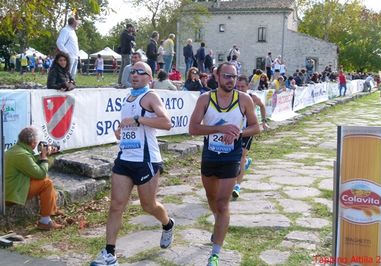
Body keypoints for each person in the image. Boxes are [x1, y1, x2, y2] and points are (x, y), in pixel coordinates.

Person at [90, 62, 175, 266]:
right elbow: (130, 125)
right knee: (116, 205)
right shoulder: (128, 97)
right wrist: (120, 130)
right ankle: (109, 253)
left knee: (148, 205)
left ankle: (167, 224)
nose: (134, 75)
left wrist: (139, 120)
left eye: (140, 72)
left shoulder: (151, 97)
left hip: (146, 160)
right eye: (132, 71)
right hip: (125, 158)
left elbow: (167, 123)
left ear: (149, 77)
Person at [188, 62, 260, 266]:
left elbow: (256, 127)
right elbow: (193, 128)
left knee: (222, 203)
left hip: (231, 157)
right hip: (210, 156)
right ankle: (219, 223)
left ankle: (215, 254)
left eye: (234, 77)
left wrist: (238, 132)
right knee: (212, 199)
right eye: (227, 76)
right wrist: (220, 130)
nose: (231, 80)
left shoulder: (244, 99)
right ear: (217, 76)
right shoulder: (205, 99)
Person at [5, 127, 64, 230]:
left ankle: (52, 209)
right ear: (32, 143)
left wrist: (43, 157)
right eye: (36, 142)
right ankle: (45, 221)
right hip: (12, 193)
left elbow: (32, 169)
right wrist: (44, 157)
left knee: (45, 180)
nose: (38, 145)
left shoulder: (17, 150)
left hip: (13, 186)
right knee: (47, 183)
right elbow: (40, 174)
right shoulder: (22, 155)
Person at [232, 75, 268, 198]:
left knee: (241, 154)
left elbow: (262, 106)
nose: (240, 89)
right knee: (234, 156)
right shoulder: (232, 97)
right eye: (238, 86)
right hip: (233, 130)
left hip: (248, 130)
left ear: (248, 87)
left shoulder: (252, 98)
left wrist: (264, 121)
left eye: (243, 87)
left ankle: (237, 185)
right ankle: (245, 163)